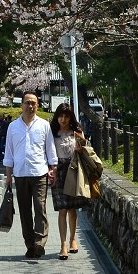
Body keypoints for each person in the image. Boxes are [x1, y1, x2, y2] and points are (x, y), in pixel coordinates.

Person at [3, 93, 57, 259]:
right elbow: (9, 153)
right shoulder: (13, 127)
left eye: (33, 103)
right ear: (22, 105)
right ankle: (29, 244)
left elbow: (50, 150)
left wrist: (52, 169)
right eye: (27, 103)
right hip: (20, 174)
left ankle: (39, 243)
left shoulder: (44, 125)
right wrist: (8, 176)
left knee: (40, 208)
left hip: (39, 173)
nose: (30, 106)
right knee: (24, 211)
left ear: (38, 105)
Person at [50, 103, 90, 260]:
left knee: (72, 208)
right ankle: (63, 244)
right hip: (58, 170)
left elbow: (86, 148)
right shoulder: (52, 132)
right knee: (62, 209)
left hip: (73, 170)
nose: (63, 119)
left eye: (66, 116)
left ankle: (73, 239)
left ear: (70, 117)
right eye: (60, 115)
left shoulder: (77, 132)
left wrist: (81, 148)